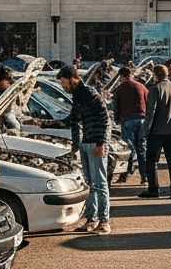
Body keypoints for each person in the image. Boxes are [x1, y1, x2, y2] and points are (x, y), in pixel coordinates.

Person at [24, 65, 112, 234]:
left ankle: (104, 222)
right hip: (87, 143)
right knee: (90, 184)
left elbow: (104, 117)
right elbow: (73, 120)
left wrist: (101, 143)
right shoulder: (78, 96)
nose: (62, 86)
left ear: (72, 79)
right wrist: (42, 123)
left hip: (96, 144)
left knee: (100, 184)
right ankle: (91, 221)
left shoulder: (89, 93)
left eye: (63, 82)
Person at [139, 65, 171, 199]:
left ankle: (153, 189)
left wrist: (143, 132)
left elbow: (150, 113)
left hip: (157, 131)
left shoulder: (155, 89)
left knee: (151, 161)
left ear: (156, 75)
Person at [113, 66, 148, 184]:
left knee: (128, 149)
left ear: (122, 77)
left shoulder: (120, 88)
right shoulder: (141, 87)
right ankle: (145, 177)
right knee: (142, 149)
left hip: (127, 120)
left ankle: (124, 175)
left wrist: (117, 119)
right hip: (142, 120)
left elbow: (116, 106)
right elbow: (148, 102)